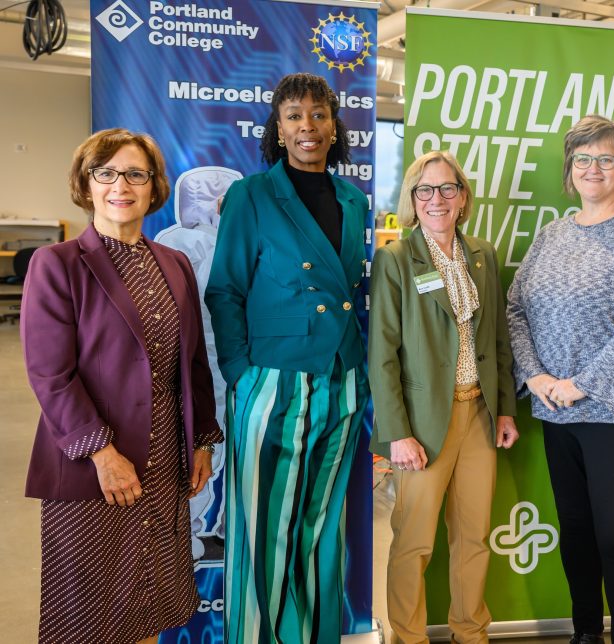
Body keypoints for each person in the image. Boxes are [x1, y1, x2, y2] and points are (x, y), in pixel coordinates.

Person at [21, 128, 223, 644]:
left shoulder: (173, 263)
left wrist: (202, 437)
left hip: (164, 465)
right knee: (90, 613)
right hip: (96, 468)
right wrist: (102, 454)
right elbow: (51, 374)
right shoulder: (58, 264)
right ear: (86, 184)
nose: (121, 185)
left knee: (149, 604)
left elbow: (193, 361)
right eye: (105, 173)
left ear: (153, 186)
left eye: (135, 173)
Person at [205, 72, 370, 643]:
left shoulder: (353, 199)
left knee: (324, 530)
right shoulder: (252, 195)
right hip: (274, 382)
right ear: (278, 126)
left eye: (319, 115)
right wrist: (241, 377)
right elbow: (224, 290)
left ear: (334, 126)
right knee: (266, 531)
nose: (308, 126)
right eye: (295, 115)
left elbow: (349, 290)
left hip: (342, 380)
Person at [507, 115, 614, 644]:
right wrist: (534, 375)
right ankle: (586, 633)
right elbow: (515, 309)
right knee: (577, 534)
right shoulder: (552, 234)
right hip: (557, 412)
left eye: (606, 158)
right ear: (569, 170)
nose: (593, 168)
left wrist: (581, 384)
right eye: (583, 159)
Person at [369, 150, 519, 644]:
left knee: (473, 537)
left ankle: (470, 632)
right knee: (413, 543)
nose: (437, 199)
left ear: (463, 197)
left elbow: (496, 339)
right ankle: (408, 636)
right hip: (422, 423)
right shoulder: (395, 258)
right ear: (412, 199)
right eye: (426, 190)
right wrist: (397, 433)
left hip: (479, 413)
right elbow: (382, 354)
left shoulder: (482, 253)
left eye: (447, 189)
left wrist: (505, 411)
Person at [155, 165, 243, 560]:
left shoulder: (238, 240)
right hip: (199, 361)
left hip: (237, 361)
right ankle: (184, 533)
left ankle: (226, 527)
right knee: (201, 452)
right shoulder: (177, 243)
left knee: (236, 451)